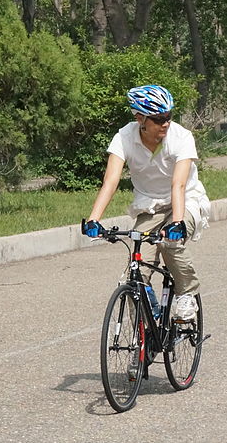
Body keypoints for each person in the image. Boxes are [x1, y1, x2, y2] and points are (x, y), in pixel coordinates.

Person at [83, 85, 208, 324]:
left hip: (186, 201)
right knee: (134, 277)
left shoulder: (180, 137)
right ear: (139, 117)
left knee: (171, 243)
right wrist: (94, 219)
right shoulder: (124, 137)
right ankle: (142, 346)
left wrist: (178, 223)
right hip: (150, 205)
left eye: (168, 117)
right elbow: (111, 180)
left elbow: (178, 185)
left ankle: (186, 295)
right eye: (159, 119)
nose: (166, 124)